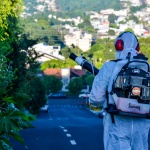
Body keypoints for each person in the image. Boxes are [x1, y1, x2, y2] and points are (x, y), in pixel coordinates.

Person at [89, 31, 150, 150]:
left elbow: (96, 98)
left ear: (118, 45)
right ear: (137, 47)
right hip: (142, 125)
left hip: (117, 122)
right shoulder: (147, 68)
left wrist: (96, 106)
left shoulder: (110, 67)